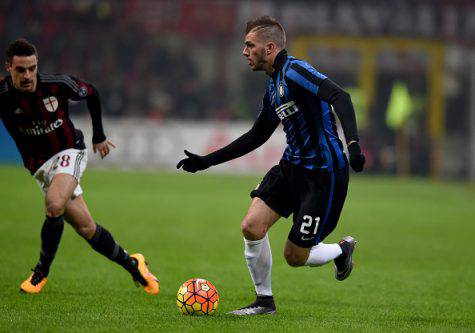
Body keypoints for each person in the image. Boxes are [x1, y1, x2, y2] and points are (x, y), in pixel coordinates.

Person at [177, 16, 365, 315]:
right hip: (291, 168)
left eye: (249, 45)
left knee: (295, 256)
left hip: (324, 176)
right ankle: (264, 302)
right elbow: (257, 135)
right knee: (251, 227)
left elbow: (339, 96)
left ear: (270, 47)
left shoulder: (296, 71)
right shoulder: (274, 85)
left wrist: (353, 144)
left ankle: (342, 249)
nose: (244, 51)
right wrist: (206, 161)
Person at [0, 39, 159, 295]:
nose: (28, 75)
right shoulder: (3, 95)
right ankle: (134, 265)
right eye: (21, 70)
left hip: (69, 151)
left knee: (54, 205)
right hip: (40, 167)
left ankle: (40, 273)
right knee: (87, 229)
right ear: (9, 68)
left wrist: (98, 135)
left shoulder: (56, 85)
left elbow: (92, 92)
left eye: (32, 68)